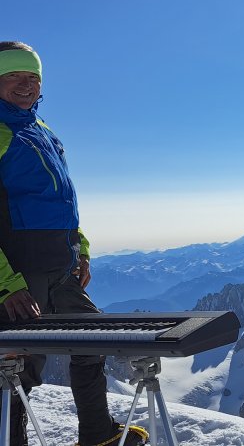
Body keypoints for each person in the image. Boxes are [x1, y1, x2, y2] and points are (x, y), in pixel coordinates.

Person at [0, 42, 149, 446]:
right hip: (19, 272)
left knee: (91, 339)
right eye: (13, 75)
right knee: (17, 370)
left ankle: (98, 434)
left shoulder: (39, 128)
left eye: (32, 77)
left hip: (60, 267)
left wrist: (80, 250)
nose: (25, 84)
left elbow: (63, 200)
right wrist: (7, 285)